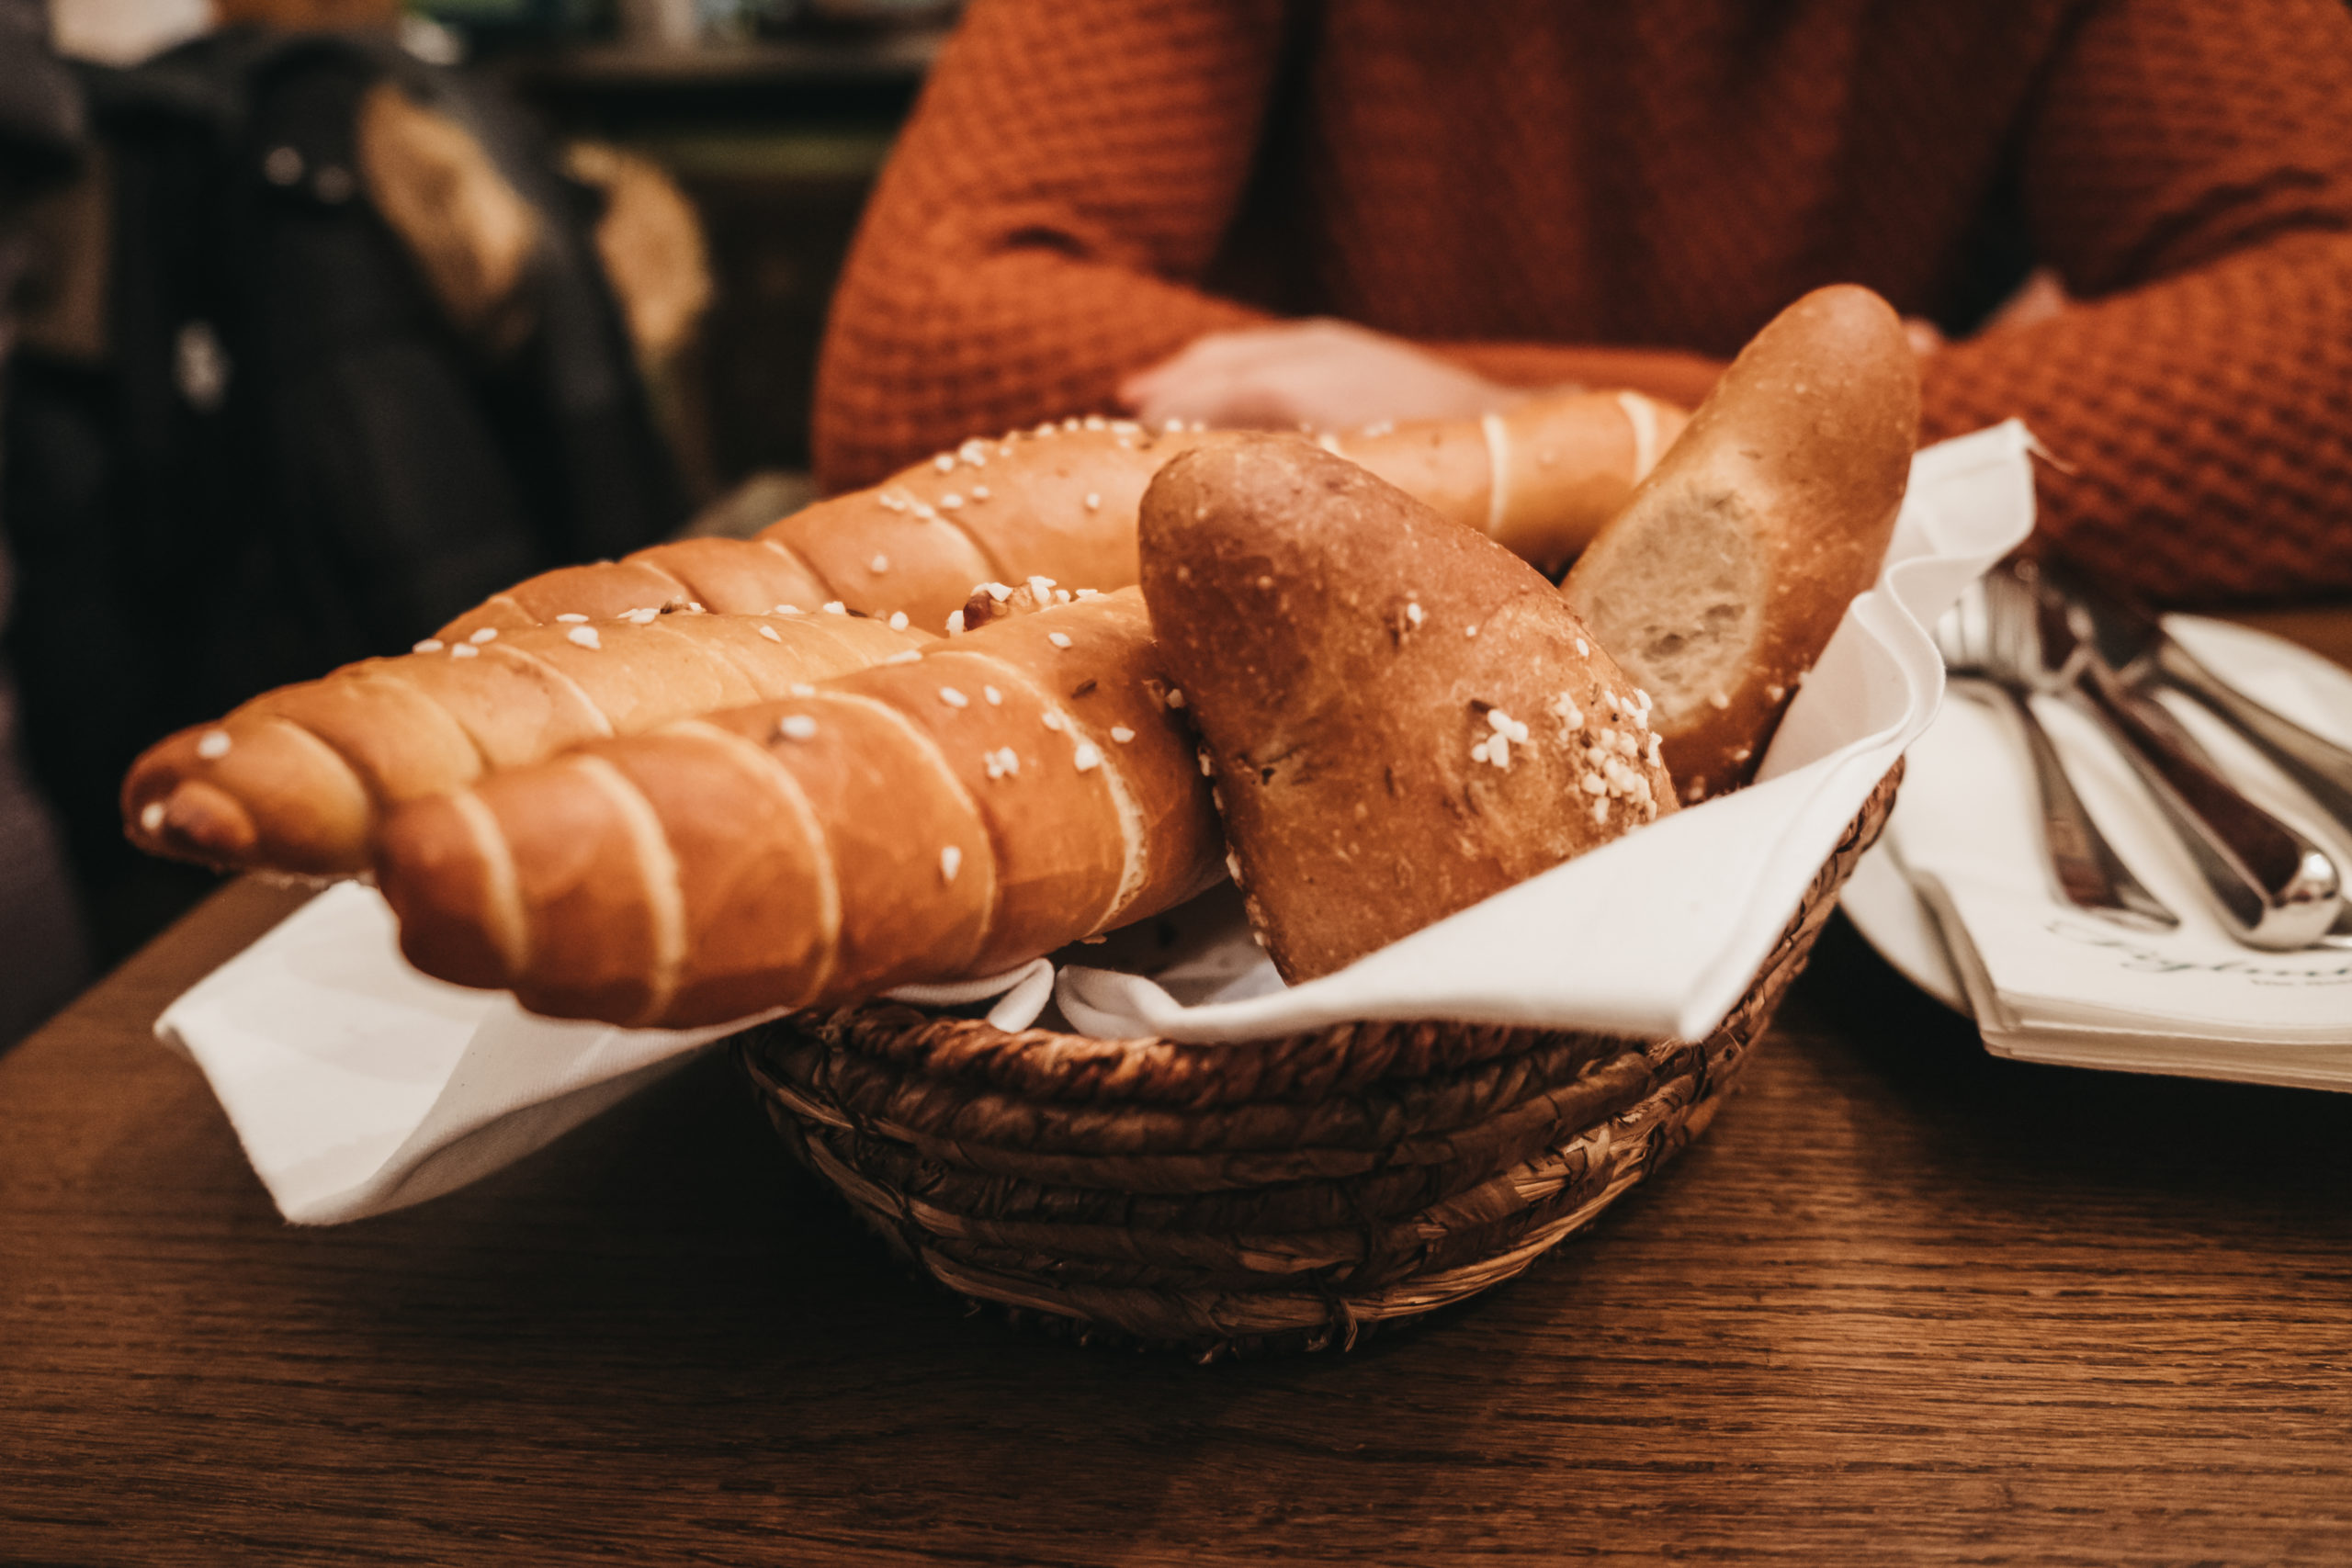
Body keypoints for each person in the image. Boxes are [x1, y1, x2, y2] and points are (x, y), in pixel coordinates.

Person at [812, 0, 2352, 604]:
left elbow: (2326, 353)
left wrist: (1505, 418)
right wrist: (1824, 420)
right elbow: (918, 355)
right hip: (1256, 670)